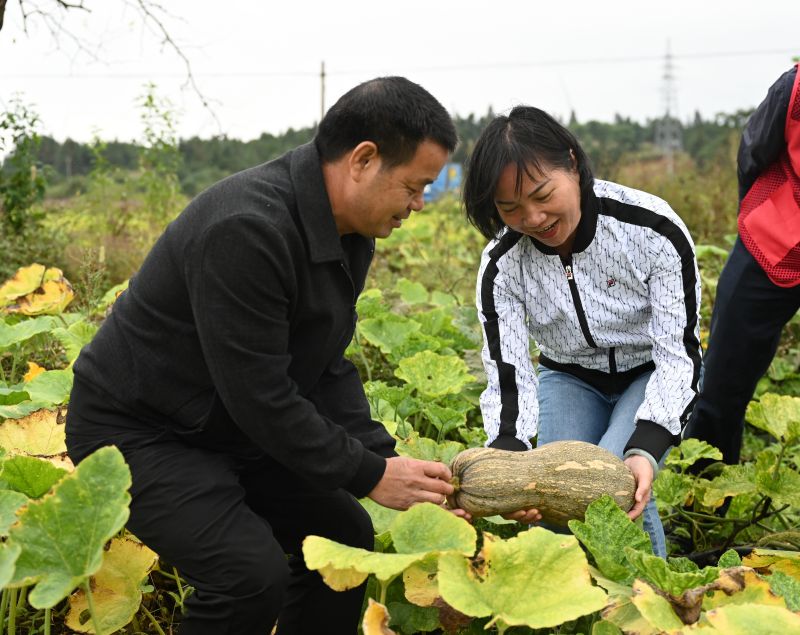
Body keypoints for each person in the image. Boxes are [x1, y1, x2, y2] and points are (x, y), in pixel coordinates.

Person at [65, 76, 461, 634]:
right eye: (415, 186)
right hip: (139, 429)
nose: (420, 204)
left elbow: (325, 367)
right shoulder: (247, 228)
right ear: (363, 159)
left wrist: (397, 467)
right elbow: (260, 394)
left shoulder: (349, 230)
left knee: (340, 540)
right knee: (246, 576)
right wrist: (368, 472)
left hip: (229, 423)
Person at [463, 106, 702, 557]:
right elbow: (508, 369)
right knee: (552, 499)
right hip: (570, 376)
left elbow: (679, 354)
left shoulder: (651, 229)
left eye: (541, 194)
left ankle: (649, 603)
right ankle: (575, 610)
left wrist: (646, 446)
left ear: (572, 164)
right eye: (510, 208)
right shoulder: (503, 264)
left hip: (648, 373)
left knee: (610, 483)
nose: (533, 218)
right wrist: (510, 455)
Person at [686, 63, 800, 466]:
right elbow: (753, 155)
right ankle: (705, 495)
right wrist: (761, 213)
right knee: (722, 382)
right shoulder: (795, 88)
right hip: (772, 243)